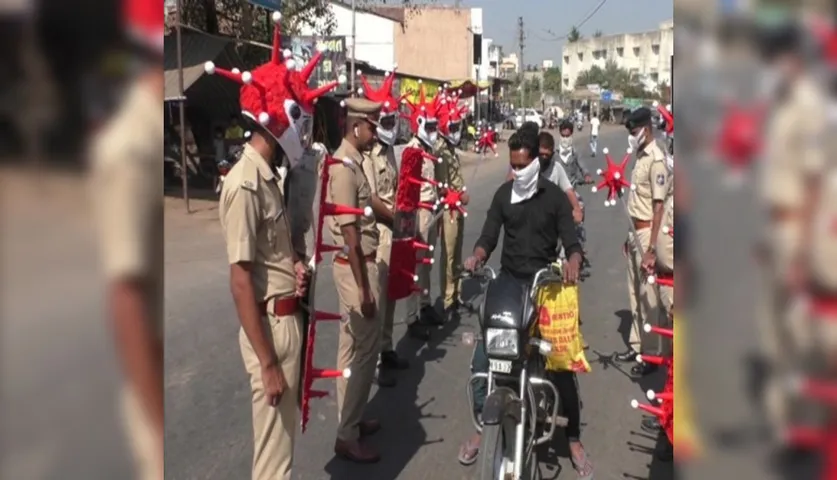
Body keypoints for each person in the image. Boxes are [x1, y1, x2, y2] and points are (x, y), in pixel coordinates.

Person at [457, 127, 592, 478]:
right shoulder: (504, 195)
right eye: (512, 165)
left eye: (521, 165)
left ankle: (573, 438)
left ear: (536, 159)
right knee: (484, 358)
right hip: (509, 282)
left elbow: (570, 240)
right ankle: (483, 428)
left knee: (560, 363)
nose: (516, 172)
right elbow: (488, 236)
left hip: (545, 283)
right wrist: (477, 257)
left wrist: (573, 260)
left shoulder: (554, 198)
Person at [89, 5, 163, 477]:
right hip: (148, 391)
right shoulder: (129, 147)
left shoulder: (150, 136)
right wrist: (156, 422)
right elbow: (124, 295)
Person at [755, 20, 828, 444]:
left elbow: (815, 181)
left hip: (797, 231)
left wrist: (803, 248)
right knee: (772, 329)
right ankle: (781, 423)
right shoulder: (778, 105)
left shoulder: (808, 106)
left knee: (801, 331)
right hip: (773, 228)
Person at [327, 98, 385, 463]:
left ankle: (351, 420)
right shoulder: (344, 167)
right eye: (372, 126)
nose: (376, 133)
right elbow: (350, 233)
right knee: (366, 350)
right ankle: (347, 434)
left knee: (349, 347)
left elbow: (371, 204)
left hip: (355, 264)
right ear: (356, 126)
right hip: (355, 265)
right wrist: (364, 289)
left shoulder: (355, 161)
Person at [357, 77, 417, 388]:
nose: (391, 124)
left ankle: (387, 346)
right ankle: (376, 364)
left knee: (392, 292)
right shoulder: (368, 155)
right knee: (378, 297)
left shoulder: (389, 150)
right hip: (380, 229)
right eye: (387, 120)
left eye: (394, 118)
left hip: (395, 229)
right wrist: (395, 217)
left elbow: (395, 187)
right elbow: (371, 197)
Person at [613, 106, 672, 377]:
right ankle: (637, 345)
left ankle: (651, 354)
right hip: (634, 231)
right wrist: (630, 238)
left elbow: (658, 206)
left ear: (645, 129)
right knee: (634, 292)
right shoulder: (641, 155)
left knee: (649, 299)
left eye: (634, 131)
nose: (632, 135)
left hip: (649, 232)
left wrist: (650, 249)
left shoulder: (657, 158)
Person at [404, 91, 444, 328]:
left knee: (427, 262)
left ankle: (425, 304)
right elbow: (408, 190)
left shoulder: (430, 149)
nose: (433, 131)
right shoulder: (412, 150)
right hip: (418, 213)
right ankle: (411, 317)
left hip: (431, 210)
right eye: (428, 126)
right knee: (415, 266)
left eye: (434, 126)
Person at [435, 99, 471, 322]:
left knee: (457, 253)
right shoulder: (441, 152)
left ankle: (456, 294)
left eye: (458, 127)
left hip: (458, 208)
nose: (457, 131)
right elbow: (442, 187)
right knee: (448, 255)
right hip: (449, 209)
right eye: (454, 127)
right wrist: (460, 197)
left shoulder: (451, 149)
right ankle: (447, 299)